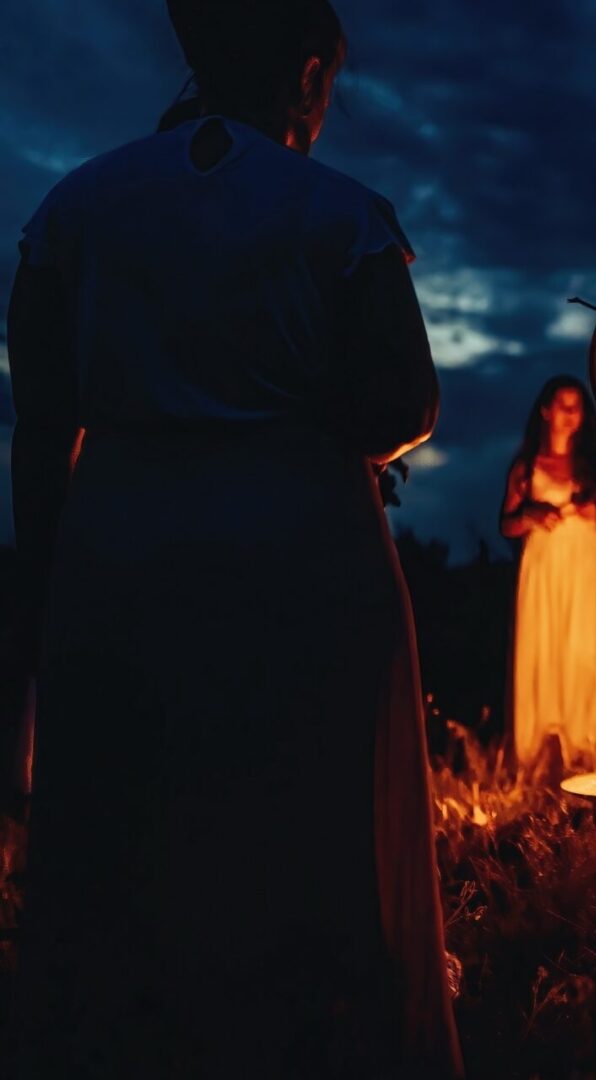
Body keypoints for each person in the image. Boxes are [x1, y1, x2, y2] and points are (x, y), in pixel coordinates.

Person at [4, 1, 463, 1074]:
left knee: (137, 819)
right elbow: (406, 403)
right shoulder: (339, 214)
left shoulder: (72, 210)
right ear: (309, 72)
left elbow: (41, 423)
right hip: (296, 556)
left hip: (120, 552)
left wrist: (47, 581)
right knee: (298, 819)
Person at [500, 376, 596, 771]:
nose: (570, 414)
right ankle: (537, 752)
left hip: (585, 562)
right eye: (563, 405)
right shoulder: (526, 465)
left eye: (577, 406)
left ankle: (587, 747)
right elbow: (506, 524)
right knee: (543, 640)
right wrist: (532, 513)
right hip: (543, 563)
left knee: (583, 644)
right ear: (545, 410)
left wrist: (594, 512)